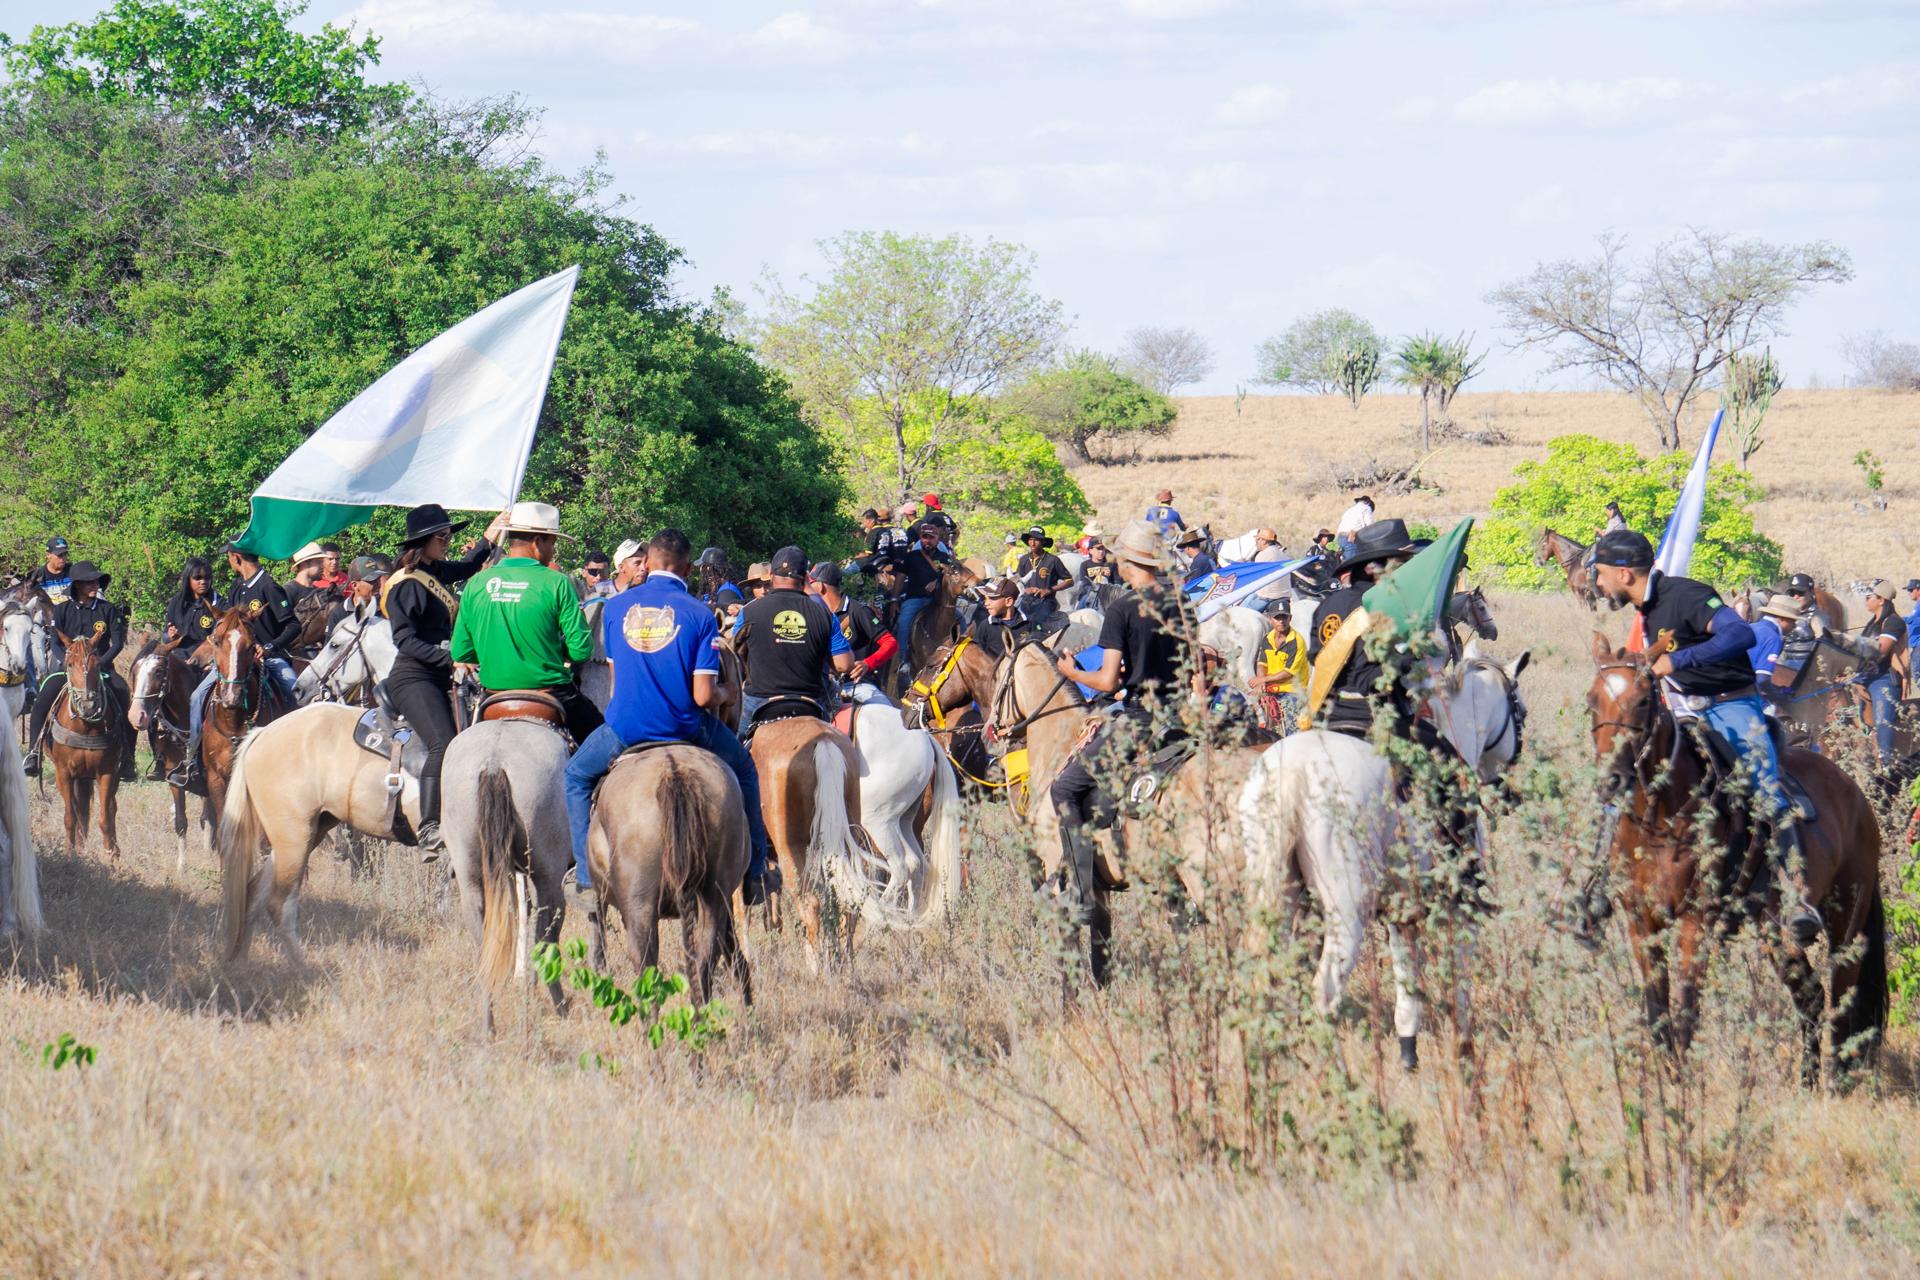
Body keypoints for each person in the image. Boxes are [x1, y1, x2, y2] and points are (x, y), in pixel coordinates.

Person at [1589, 528, 1822, 947]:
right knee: (1624, 777)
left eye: (1601, 574)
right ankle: (1597, 889)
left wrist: (1679, 660)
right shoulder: (1646, 610)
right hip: (1681, 711)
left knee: (1765, 790)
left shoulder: (1686, 594)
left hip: (1730, 706)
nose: (1599, 584)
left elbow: (1741, 635)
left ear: (1624, 574)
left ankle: (1796, 897)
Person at [563, 528, 779, 904]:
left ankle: (584, 879)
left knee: (576, 777)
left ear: (648, 563)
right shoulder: (700, 614)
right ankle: (756, 873)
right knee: (745, 770)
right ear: (687, 568)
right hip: (686, 727)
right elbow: (703, 695)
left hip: (625, 728)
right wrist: (728, 692)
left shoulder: (616, 608)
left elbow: (616, 682)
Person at [1049, 519, 1194, 921]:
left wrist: (1073, 673)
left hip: (1140, 721)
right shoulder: (1182, 602)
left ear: (1128, 562)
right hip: (1182, 718)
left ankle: (1081, 894)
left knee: (1064, 789)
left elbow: (1108, 681)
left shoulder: (1122, 608)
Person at [378, 503, 505, 856]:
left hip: (441, 674)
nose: (447, 542)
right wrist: (450, 658)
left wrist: (489, 536)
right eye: (442, 537)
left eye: (449, 536)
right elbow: (404, 640)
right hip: (413, 676)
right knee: (444, 743)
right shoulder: (406, 584)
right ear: (423, 541)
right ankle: (430, 827)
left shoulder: (433, 571)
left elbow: (467, 566)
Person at [450, 502, 603, 745]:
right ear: (537, 542)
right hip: (550, 691)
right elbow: (581, 650)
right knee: (605, 744)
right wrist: (549, 650)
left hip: (493, 695)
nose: (553, 550)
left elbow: (461, 652)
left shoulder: (476, 583)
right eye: (552, 543)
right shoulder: (557, 582)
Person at [171, 540, 306, 794]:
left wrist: (269, 647)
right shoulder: (237, 587)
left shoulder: (269, 586)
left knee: (295, 692)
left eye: (229, 557)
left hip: (269, 658)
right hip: (235, 659)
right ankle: (193, 758)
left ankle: (299, 758)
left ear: (236, 558)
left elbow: (293, 626)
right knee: (198, 696)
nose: (228, 561)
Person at [23, 561, 136, 781]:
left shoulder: (108, 609)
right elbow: (56, 641)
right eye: (89, 582)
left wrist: (100, 662)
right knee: (43, 698)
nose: (95, 585)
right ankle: (34, 752)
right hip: (68, 669)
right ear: (77, 585)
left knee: (123, 694)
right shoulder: (62, 610)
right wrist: (64, 660)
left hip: (101, 668)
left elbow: (117, 643)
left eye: (96, 581)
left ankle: (128, 758)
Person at [736, 546, 854, 726]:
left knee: (731, 742)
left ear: (771, 576)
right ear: (805, 577)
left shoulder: (747, 613)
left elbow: (733, 654)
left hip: (758, 702)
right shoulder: (824, 614)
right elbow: (843, 664)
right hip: (811, 703)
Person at [808, 561, 895, 699]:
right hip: (821, 686)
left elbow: (890, 643)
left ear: (820, 586)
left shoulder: (859, 611)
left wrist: (867, 663)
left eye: (810, 583)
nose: (807, 588)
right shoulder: (814, 614)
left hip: (858, 685)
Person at [1850, 581, 1905, 765]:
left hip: (1883, 679)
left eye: (1869, 597)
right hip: (1865, 676)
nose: (1866, 600)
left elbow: (1880, 652)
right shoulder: (1872, 623)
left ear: (1882, 600)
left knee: (1882, 722)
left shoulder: (1894, 622)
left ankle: (1886, 763)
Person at [893, 522, 956, 679]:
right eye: (924, 537)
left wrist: (937, 582)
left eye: (931, 537)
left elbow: (953, 576)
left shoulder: (944, 558)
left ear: (937, 539)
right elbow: (900, 577)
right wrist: (894, 599)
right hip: (916, 599)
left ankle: (960, 653)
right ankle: (904, 661)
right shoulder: (911, 557)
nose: (927, 540)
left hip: (938, 601)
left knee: (961, 619)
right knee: (903, 623)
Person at [1256, 599, 1309, 731]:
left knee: (1291, 728)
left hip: (1292, 691)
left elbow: (1289, 673)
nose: (1281, 621)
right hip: (1272, 688)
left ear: (1290, 618)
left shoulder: (1297, 641)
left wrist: (1263, 679)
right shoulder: (1267, 638)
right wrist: (1261, 682)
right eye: (1277, 617)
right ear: (1270, 619)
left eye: (1284, 617)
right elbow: (1262, 663)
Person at [1015, 525, 1072, 628]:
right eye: (1030, 540)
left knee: (1039, 624)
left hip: (1046, 602)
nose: (1032, 543)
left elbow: (1069, 581)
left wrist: (1049, 590)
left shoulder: (1053, 560)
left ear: (1043, 542)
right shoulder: (1023, 559)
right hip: (1025, 601)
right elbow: (1019, 581)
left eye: (1036, 540)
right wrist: (1026, 590)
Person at [164, 557, 224, 648]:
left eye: (207, 578)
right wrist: (170, 636)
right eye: (197, 578)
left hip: (206, 655)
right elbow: (165, 637)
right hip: (178, 654)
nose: (203, 582)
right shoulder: (177, 602)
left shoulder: (218, 603)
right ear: (188, 579)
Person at [1749, 597, 1799, 695]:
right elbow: (1762, 679)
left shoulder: (1751, 627)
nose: (1794, 626)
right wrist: (1777, 695)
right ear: (1782, 619)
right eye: (1793, 622)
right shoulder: (1773, 638)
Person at [327, 554, 392, 630]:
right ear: (355, 585)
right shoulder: (340, 613)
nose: (378, 584)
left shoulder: (387, 608)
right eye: (372, 581)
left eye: (378, 579)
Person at [1074, 539, 1120, 611]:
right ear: (1090, 551)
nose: (1101, 551)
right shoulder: (1084, 565)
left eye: (1103, 548)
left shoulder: (1111, 564)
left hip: (1109, 594)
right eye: (1098, 549)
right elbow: (1084, 583)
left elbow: (1117, 582)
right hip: (1090, 593)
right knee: (1080, 608)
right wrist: (1094, 590)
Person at [27, 536, 74, 606]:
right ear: (48, 555)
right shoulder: (38, 575)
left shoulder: (73, 570)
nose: (63, 558)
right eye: (59, 555)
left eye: (65, 554)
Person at [284, 542, 328, 611]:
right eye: (318, 562)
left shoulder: (318, 592)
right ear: (304, 564)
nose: (322, 566)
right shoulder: (288, 591)